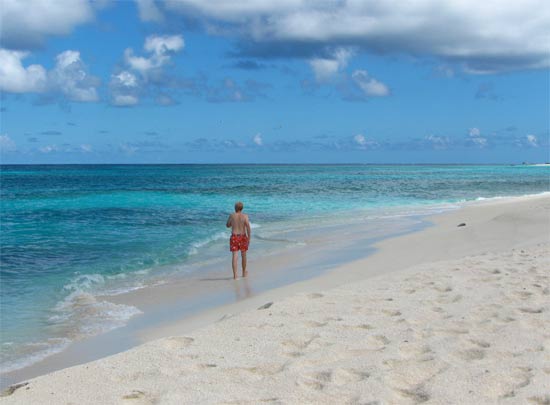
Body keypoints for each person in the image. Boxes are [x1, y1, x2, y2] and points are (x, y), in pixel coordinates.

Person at [226, 201, 251, 279]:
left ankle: (235, 275)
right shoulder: (245, 216)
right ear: (242, 208)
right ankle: (243, 273)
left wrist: (232, 223)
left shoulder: (232, 215)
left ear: (235, 208)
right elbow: (248, 227)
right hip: (243, 236)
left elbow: (227, 225)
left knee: (234, 256)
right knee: (243, 255)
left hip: (234, 237)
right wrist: (249, 238)